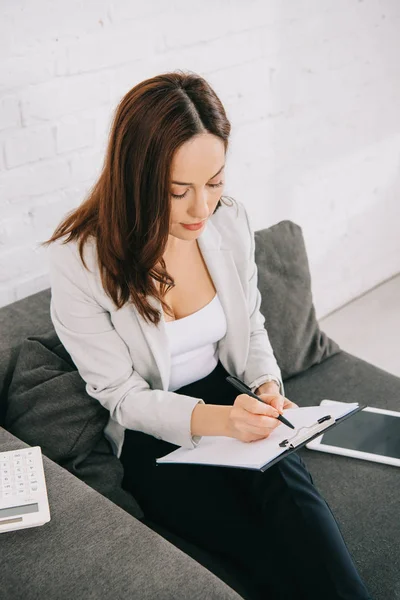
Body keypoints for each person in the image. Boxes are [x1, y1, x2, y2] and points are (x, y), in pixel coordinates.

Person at [43, 71, 372, 600]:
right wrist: (220, 422)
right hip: (155, 434)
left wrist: (265, 385)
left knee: (294, 498)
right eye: (178, 192)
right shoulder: (79, 262)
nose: (202, 208)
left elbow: (254, 322)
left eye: (215, 182)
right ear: (137, 179)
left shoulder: (228, 222)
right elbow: (122, 398)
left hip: (229, 399)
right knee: (263, 555)